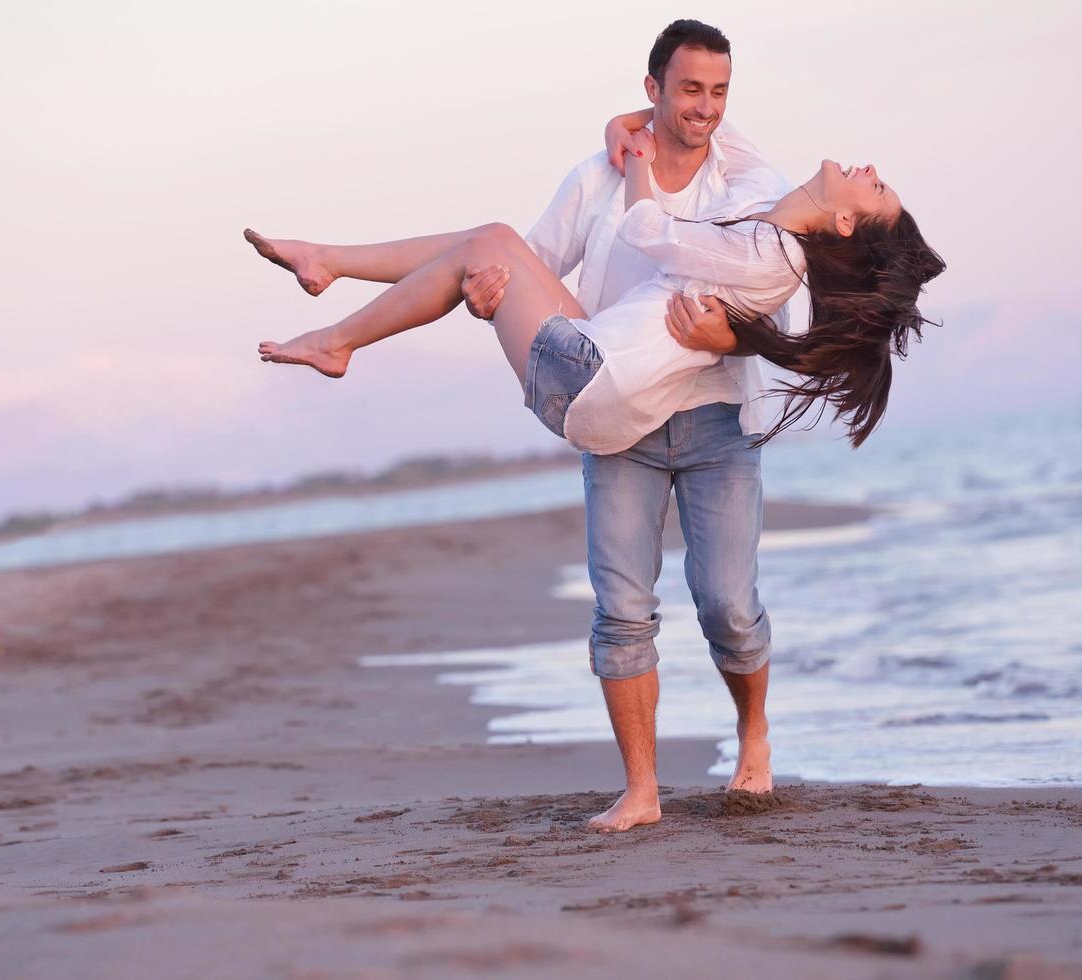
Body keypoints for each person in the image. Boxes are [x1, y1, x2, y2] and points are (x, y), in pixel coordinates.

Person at [246, 20, 945, 832]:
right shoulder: (613, 176)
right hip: (612, 398)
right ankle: (640, 791)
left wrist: (730, 331)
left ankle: (753, 735)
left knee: (728, 606)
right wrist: (489, 285)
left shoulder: (760, 204)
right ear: (654, 90)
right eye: (690, 90)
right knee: (621, 609)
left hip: (702, 415)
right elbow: (529, 264)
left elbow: (727, 287)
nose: (708, 109)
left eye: (719, 93)